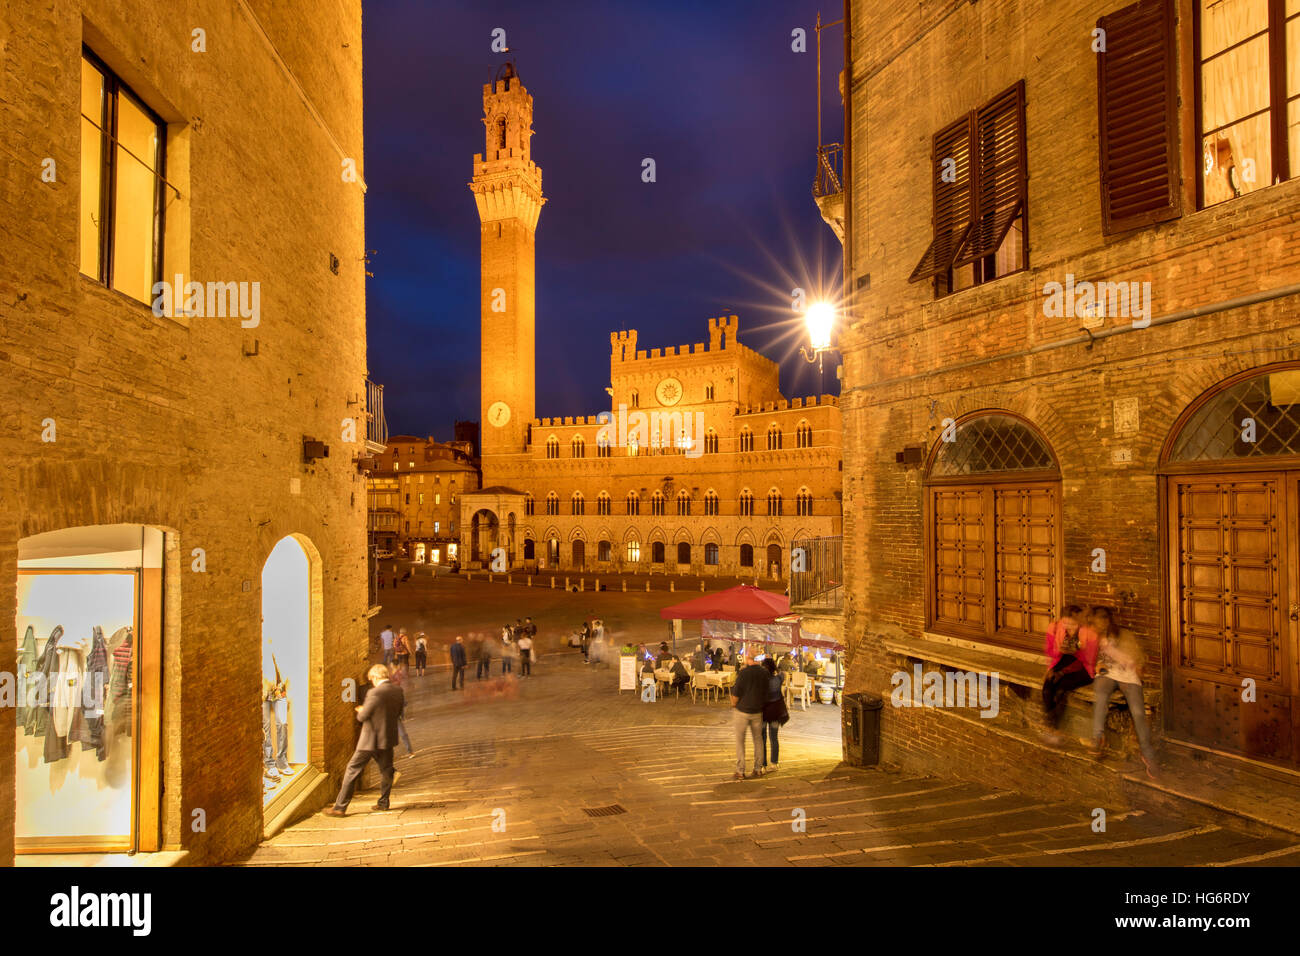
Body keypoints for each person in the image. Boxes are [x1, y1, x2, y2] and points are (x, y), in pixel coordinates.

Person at [324, 664, 405, 816]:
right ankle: (383, 803)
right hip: (387, 738)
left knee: (352, 770)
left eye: (371, 679)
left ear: (374, 677)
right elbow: (398, 712)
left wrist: (361, 710)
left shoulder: (374, 693)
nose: (371, 681)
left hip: (370, 739)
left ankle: (340, 807)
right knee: (387, 771)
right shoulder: (398, 690)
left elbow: (363, 716)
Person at [1089, 607, 1157, 777]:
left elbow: (1135, 659)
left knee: (1138, 712)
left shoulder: (1124, 635)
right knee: (1101, 697)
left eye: (1102, 621)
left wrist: (1131, 664)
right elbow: (1089, 660)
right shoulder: (1093, 637)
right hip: (1107, 674)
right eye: (1096, 623)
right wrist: (1097, 666)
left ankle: (1147, 753)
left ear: (1108, 621)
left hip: (1127, 675)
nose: (1099, 626)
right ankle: (1098, 738)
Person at [1041, 604, 1097, 744]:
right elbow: (1049, 651)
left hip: (1083, 668)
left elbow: (1091, 659)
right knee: (1048, 687)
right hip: (1062, 662)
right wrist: (1052, 667)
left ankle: (1054, 726)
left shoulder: (1089, 633)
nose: (1068, 626)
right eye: (1065, 622)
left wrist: (1076, 651)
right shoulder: (1055, 628)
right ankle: (1050, 726)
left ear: (1079, 621)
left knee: (1061, 689)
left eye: (1072, 623)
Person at [730, 654, 769, 780]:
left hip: (742, 711)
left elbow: (736, 693)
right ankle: (758, 768)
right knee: (758, 740)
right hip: (757, 711)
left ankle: (740, 771)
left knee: (740, 741)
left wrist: (733, 703)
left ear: (748, 659)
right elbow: (766, 692)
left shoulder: (743, 673)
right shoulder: (764, 673)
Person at [760, 657, 786, 771]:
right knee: (774, 738)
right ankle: (774, 763)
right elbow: (784, 674)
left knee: (762, 739)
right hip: (775, 713)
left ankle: (762, 765)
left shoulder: (760, 682)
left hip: (763, 713)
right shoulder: (778, 679)